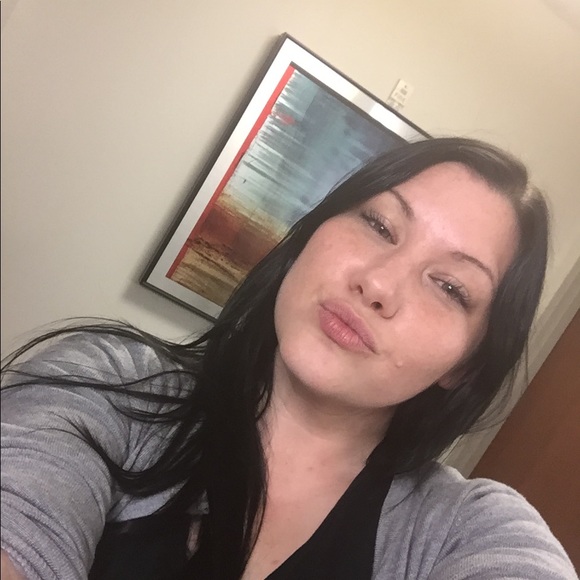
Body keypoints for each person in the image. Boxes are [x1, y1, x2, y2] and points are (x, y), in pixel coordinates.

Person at [1, 137, 577, 580]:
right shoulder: (105, 383)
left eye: (449, 287)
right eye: (379, 224)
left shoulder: (467, 530)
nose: (378, 283)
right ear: (314, 231)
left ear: (466, 365)